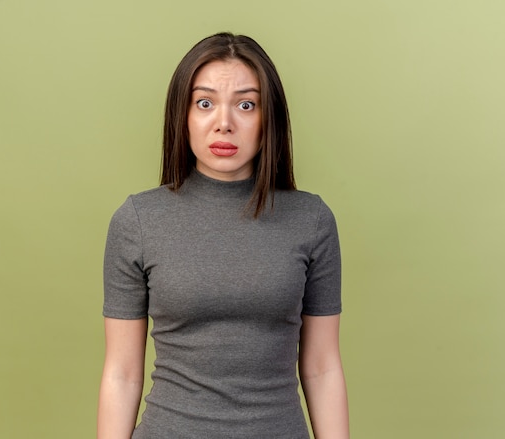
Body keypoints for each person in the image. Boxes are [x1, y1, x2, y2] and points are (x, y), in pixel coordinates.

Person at [97, 32, 349, 439]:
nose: (224, 123)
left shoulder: (311, 220)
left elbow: (322, 367)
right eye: (205, 103)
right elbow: (122, 373)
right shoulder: (138, 220)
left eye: (246, 105)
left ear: (270, 119)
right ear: (183, 115)